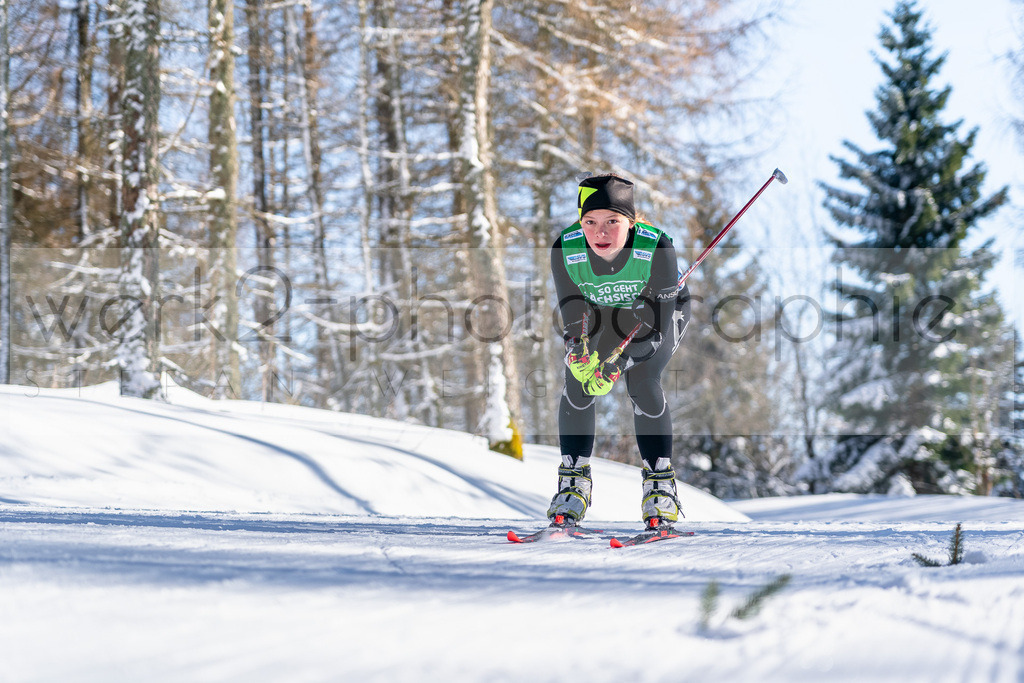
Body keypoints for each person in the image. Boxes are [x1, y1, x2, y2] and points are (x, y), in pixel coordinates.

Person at [548, 173, 691, 530]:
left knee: (642, 380)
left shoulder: (656, 247)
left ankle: (660, 487)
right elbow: (572, 309)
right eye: (590, 222)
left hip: (654, 316)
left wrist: (620, 361)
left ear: (631, 221)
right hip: (600, 315)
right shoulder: (565, 248)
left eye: (613, 221)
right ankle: (573, 482)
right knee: (577, 380)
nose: (601, 232)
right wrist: (576, 348)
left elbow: (655, 328)